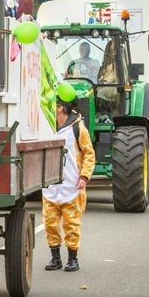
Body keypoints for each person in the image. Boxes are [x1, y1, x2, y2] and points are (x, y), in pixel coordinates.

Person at [42, 96, 95, 272]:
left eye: (55, 105)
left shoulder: (79, 128)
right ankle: (55, 258)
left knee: (71, 225)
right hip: (50, 187)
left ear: (61, 108)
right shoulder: (47, 125)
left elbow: (89, 154)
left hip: (72, 185)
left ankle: (73, 259)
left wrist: (84, 177)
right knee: (50, 224)